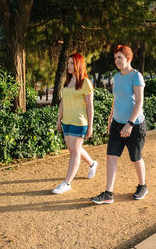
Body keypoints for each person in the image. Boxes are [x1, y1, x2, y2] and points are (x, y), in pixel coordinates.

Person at [91, 45, 148, 204]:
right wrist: (111, 119)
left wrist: (129, 124)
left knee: (135, 158)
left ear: (128, 59)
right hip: (117, 124)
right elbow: (116, 99)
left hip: (134, 125)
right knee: (111, 157)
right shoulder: (116, 77)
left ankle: (142, 185)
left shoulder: (136, 76)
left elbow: (139, 102)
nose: (117, 61)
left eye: (120, 58)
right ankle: (108, 193)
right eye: (115, 58)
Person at [52, 53, 98, 194]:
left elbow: (90, 106)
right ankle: (92, 163)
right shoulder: (67, 81)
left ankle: (67, 183)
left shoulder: (85, 82)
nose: (69, 66)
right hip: (67, 122)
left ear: (78, 64)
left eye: (72, 63)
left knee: (74, 152)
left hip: (79, 122)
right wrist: (59, 120)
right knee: (73, 150)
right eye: (68, 63)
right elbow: (62, 103)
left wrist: (90, 126)